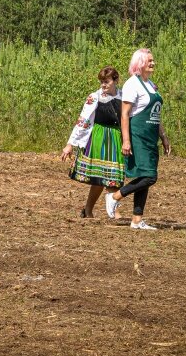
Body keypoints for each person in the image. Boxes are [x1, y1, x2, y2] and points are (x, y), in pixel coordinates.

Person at [105, 49, 171, 230]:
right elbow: (125, 115)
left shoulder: (150, 84)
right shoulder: (132, 84)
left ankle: (137, 220)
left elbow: (156, 113)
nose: (153, 63)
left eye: (153, 60)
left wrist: (163, 136)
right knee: (150, 177)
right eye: (149, 60)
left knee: (145, 176)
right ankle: (115, 196)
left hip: (151, 137)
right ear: (140, 63)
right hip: (138, 136)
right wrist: (126, 141)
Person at [61, 66, 125, 218]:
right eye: (102, 82)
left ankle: (94, 209)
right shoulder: (95, 97)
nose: (103, 85)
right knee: (99, 178)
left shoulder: (124, 96)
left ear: (116, 80)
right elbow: (82, 120)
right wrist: (70, 144)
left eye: (107, 81)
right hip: (98, 138)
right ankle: (103, 211)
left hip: (116, 138)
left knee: (112, 175)